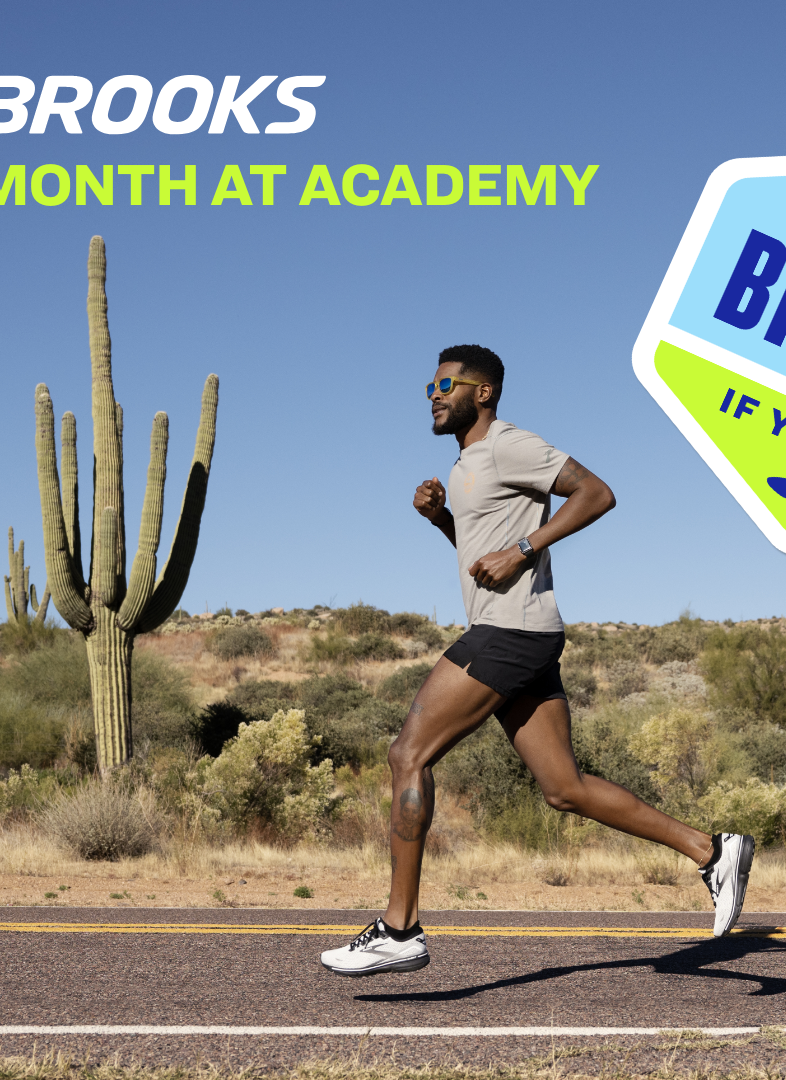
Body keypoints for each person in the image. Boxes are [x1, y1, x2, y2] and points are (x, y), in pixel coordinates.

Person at [320, 344, 754, 976]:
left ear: (483, 392)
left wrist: (523, 549)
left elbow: (597, 493)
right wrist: (444, 519)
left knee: (407, 755)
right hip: (523, 631)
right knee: (564, 788)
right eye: (429, 386)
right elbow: (481, 554)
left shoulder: (509, 446)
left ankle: (400, 927)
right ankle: (712, 850)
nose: (434, 394)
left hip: (508, 632)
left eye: (446, 383)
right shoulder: (470, 464)